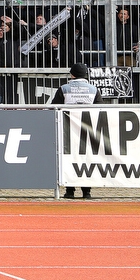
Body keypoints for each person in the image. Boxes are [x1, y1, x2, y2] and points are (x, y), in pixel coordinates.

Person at [50, 62, 101, 200]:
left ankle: (70, 190)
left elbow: (54, 108)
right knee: (86, 159)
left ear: (72, 74)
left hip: (67, 129)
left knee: (68, 158)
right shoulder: (94, 89)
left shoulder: (64, 88)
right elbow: (100, 110)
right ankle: (86, 192)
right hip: (87, 130)